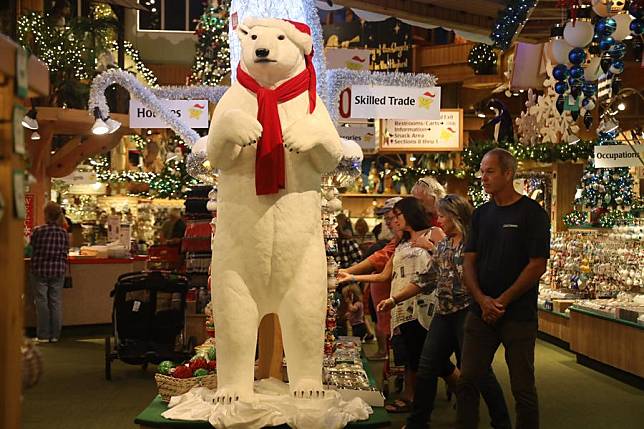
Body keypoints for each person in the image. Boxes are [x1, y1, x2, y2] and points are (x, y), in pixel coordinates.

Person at [377, 194, 511, 429]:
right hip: (443, 313)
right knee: (427, 368)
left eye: (442, 216)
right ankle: (418, 422)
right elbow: (426, 278)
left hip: (468, 313)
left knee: (480, 372)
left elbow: (488, 276)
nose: (438, 220)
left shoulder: (473, 243)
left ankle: (501, 422)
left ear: (455, 217)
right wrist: (394, 299)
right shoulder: (445, 245)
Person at [457, 148, 550, 429]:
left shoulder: (533, 213)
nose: (483, 177)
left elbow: (537, 265)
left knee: (522, 387)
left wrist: (501, 302)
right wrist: (482, 300)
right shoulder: (481, 214)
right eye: (482, 171)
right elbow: (469, 261)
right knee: (467, 380)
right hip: (480, 312)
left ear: (508, 174)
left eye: (490, 171)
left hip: (517, 314)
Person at [338, 197, 451, 413]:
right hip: (402, 305)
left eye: (397, 215)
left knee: (433, 359)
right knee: (411, 355)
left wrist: (428, 246)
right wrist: (350, 277)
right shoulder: (400, 243)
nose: (393, 221)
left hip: (427, 305)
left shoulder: (433, 233)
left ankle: (455, 397)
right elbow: (383, 275)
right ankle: (412, 398)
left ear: (409, 214)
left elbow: (450, 260)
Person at [338, 197, 403, 360]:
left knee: (408, 352)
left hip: (404, 303)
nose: (387, 223)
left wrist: (349, 274)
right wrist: (350, 274)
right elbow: (380, 266)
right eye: (386, 219)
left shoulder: (410, 239)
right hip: (393, 299)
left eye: (390, 218)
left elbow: (380, 264)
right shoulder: (396, 241)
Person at [29, 202, 70, 343]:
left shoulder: (38, 231)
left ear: (46, 214)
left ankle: (43, 335)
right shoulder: (64, 233)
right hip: (58, 270)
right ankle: (55, 335)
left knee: (41, 302)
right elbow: (66, 251)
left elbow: (31, 247)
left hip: (39, 269)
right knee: (55, 301)